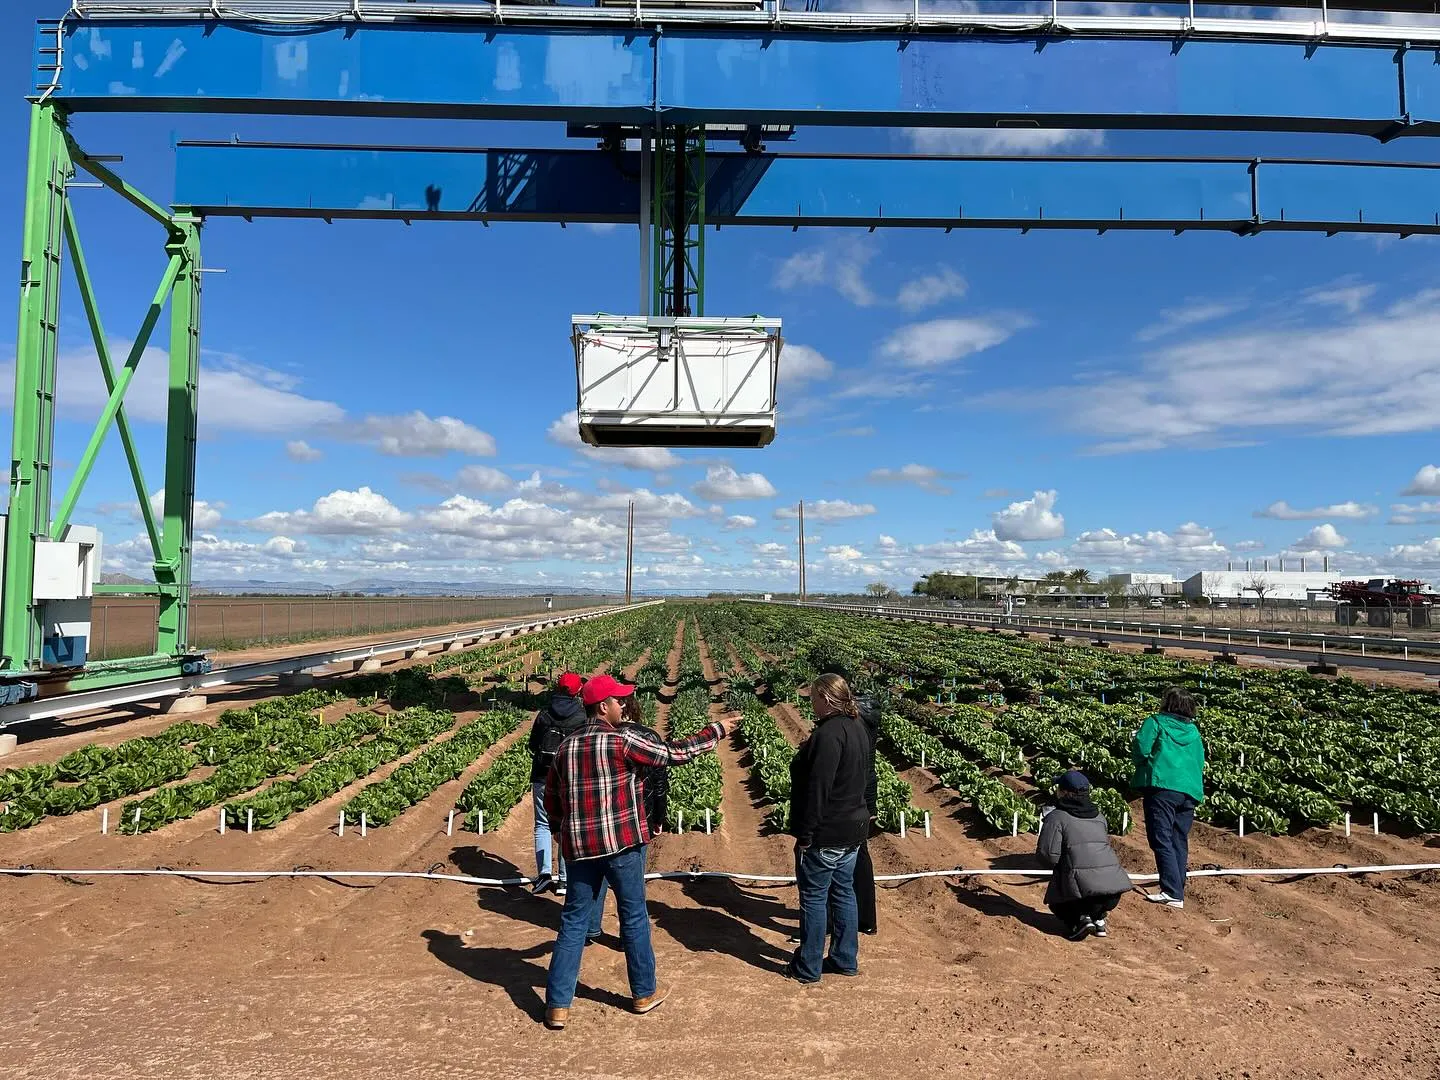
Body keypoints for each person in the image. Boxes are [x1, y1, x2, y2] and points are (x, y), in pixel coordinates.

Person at [542, 674, 731, 1031]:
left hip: (580, 850)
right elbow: (675, 753)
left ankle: (557, 1006)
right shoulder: (622, 741)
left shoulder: (567, 747)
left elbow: (552, 799)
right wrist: (716, 730)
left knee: (572, 922)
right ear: (603, 707)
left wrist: (563, 833)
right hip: (622, 846)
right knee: (633, 917)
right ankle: (643, 993)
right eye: (618, 701)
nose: (624, 705)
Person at [785, 673, 871, 984]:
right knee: (844, 893)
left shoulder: (829, 735)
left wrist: (806, 835)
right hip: (853, 829)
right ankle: (845, 958)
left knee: (813, 897)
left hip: (827, 832)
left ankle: (808, 967)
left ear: (825, 699)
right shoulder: (856, 728)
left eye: (813, 698)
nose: (811, 704)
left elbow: (817, 790)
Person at [1132, 686, 1206, 910]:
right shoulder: (1194, 732)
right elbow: (1200, 760)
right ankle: (1177, 887)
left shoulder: (1155, 722)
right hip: (1189, 790)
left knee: (1161, 838)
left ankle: (1172, 892)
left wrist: (1142, 764)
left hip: (1162, 787)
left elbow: (1141, 748)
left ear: (1168, 703)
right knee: (1178, 838)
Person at [1035, 770, 1133, 940]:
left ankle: (1079, 921)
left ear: (1065, 793)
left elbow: (1048, 856)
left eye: (1059, 788)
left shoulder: (1056, 817)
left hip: (1084, 892)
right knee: (1086, 874)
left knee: (1059, 892)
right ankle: (1099, 919)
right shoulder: (1099, 816)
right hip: (1113, 889)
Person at [529, 672, 586, 896]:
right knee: (566, 824)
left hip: (543, 775)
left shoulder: (544, 714)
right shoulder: (581, 717)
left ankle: (544, 875)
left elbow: (533, 745)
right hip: (570, 778)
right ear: (578, 691)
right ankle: (564, 880)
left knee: (542, 824)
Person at [853, 690, 880, 937]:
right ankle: (866, 918)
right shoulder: (870, 719)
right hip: (868, 793)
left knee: (851, 856)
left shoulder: (856, 724)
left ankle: (833, 921)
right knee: (861, 854)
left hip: (855, 795)